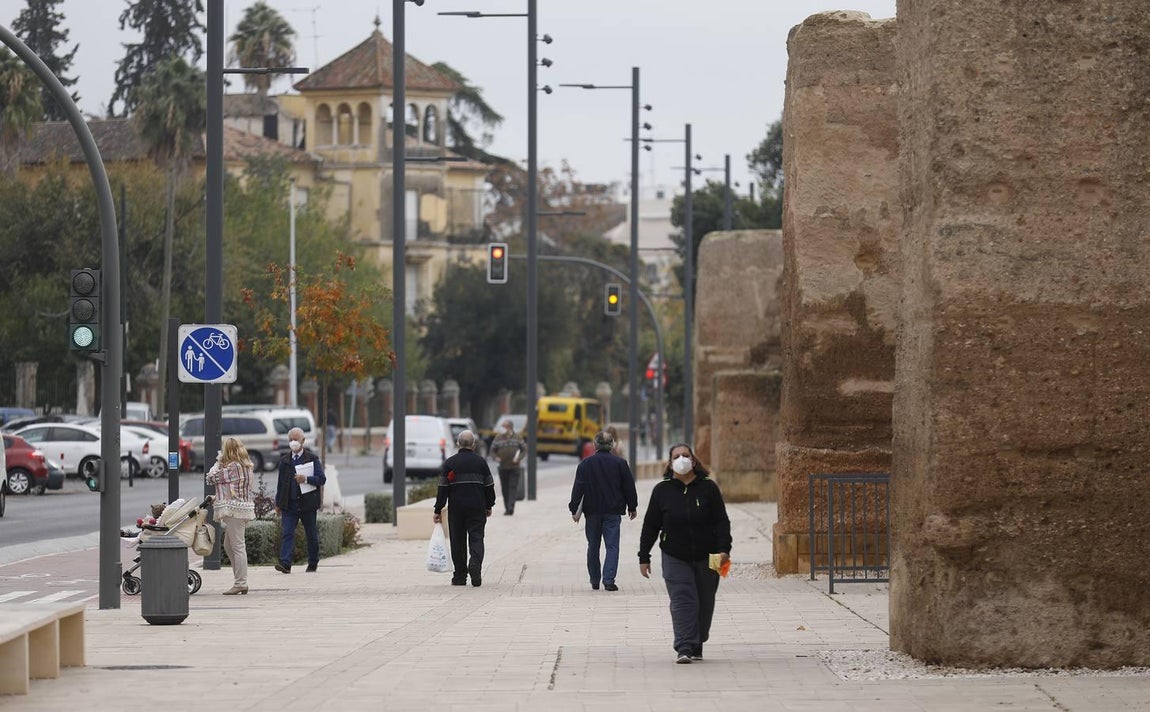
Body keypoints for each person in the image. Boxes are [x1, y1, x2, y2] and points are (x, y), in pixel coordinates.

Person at [638, 443, 731, 664]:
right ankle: (684, 646)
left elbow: (721, 521)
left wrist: (724, 550)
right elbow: (650, 525)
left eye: (685, 455)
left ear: (694, 460)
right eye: (677, 456)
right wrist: (644, 556)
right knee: (682, 599)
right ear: (670, 463)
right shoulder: (662, 490)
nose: (681, 459)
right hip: (674, 554)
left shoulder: (709, 488)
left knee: (705, 601)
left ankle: (698, 640)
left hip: (710, 555)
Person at [568, 430, 638, 592]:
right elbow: (629, 487)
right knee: (612, 546)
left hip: (592, 512)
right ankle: (609, 580)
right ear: (612, 444)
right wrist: (632, 507)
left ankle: (594, 579)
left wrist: (574, 508)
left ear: (595, 445)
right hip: (613, 511)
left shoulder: (585, 464)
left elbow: (578, 488)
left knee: (593, 545)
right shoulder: (620, 464)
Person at [433, 430, 496, 587]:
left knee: (458, 541)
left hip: (457, 509)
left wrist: (438, 509)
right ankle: (475, 563)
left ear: (458, 444)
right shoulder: (481, 462)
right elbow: (489, 486)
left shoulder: (449, 463)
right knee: (476, 538)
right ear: (474, 445)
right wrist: (489, 505)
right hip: (477, 507)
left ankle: (460, 576)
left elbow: (442, 487)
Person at [205, 437, 256, 595]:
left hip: (235, 510)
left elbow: (211, 477)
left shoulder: (234, 466)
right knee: (229, 545)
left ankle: (241, 582)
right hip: (241, 509)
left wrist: (218, 461)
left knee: (238, 546)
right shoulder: (245, 466)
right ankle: (240, 580)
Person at [274, 427, 327, 573]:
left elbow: (321, 479)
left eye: (296, 439)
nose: (293, 442)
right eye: (291, 440)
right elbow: (280, 483)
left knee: (311, 534)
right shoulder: (284, 461)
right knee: (287, 533)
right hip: (289, 504)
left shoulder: (312, 458)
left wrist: (306, 479)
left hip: (307, 504)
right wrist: (278, 503)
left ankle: (313, 562)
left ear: (303, 441)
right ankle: (285, 563)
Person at [489, 418, 525, 515]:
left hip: (514, 467)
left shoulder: (518, 437)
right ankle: (507, 507)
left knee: (512, 487)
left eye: (504, 426)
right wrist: (496, 458)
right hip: (503, 467)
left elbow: (524, 450)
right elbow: (492, 451)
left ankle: (511, 507)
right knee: (505, 488)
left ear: (510, 427)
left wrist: (519, 458)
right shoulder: (498, 438)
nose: (502, 428)